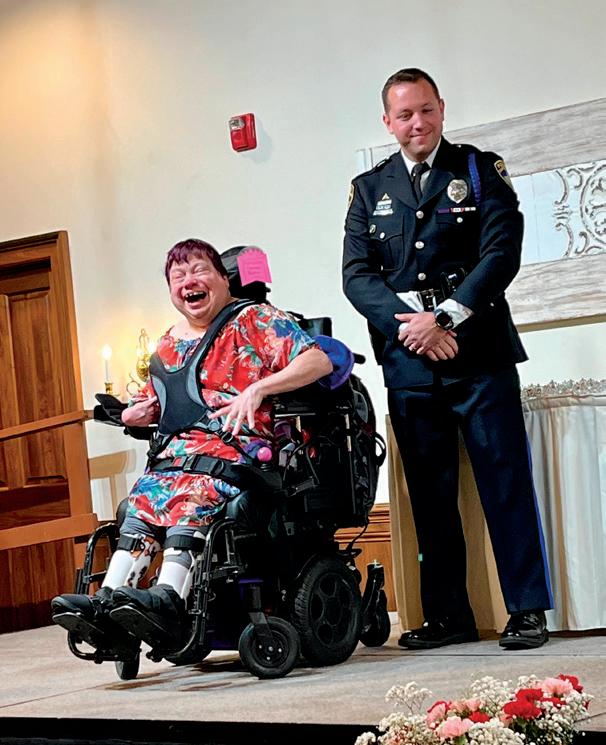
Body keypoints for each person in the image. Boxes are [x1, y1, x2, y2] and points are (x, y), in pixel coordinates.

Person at [342, 68, 553, 650]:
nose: (418, 123)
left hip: (479, 355)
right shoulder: (368, 189)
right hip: (411, 363)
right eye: (405, 114)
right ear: (387, 122)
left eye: (426, 110)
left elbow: (501, 250)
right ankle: (448, 616)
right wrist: (415, 328)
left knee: (505, 484)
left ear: (441, 109)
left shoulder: (479, 170)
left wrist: (447, 317)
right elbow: (357, 276)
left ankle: (527, 610)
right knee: (430, 495)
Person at [52, 238, 332, 649]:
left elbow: (319, 361)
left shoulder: (254, 319)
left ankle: (169, 598)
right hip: (175, 458)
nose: (189, 282)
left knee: (191, 492)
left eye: (199, 270)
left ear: (223, 278)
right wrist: (134, 414)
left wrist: (259, 389)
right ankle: (108, 603)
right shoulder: (168, 343)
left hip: (236, 452)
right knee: (142, 503)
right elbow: (152, 400)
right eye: (178, 276)